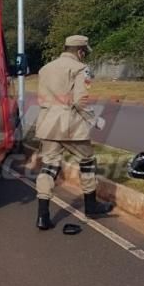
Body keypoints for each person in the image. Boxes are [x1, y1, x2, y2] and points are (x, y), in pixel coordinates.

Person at [34, 35, 113, 230]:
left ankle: (42, 216)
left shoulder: (45, 69)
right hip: (70, 125)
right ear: (80, 51)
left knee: (49, 167)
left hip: (47, 123)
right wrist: (94, 119)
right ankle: (91, 205)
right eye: (84, 53)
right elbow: (80, 100)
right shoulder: (80, 69)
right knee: (87, 161)